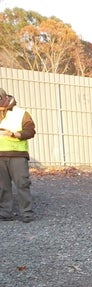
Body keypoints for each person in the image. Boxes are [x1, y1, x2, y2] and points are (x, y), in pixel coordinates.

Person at [0, 88, 37, 222]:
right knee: (3, 186)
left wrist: (15, 134)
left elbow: (31, 130)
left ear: (5, 98)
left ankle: (27, 213)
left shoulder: (21, 113)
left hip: (18, 155)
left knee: (22, 184)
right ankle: (5, 213)